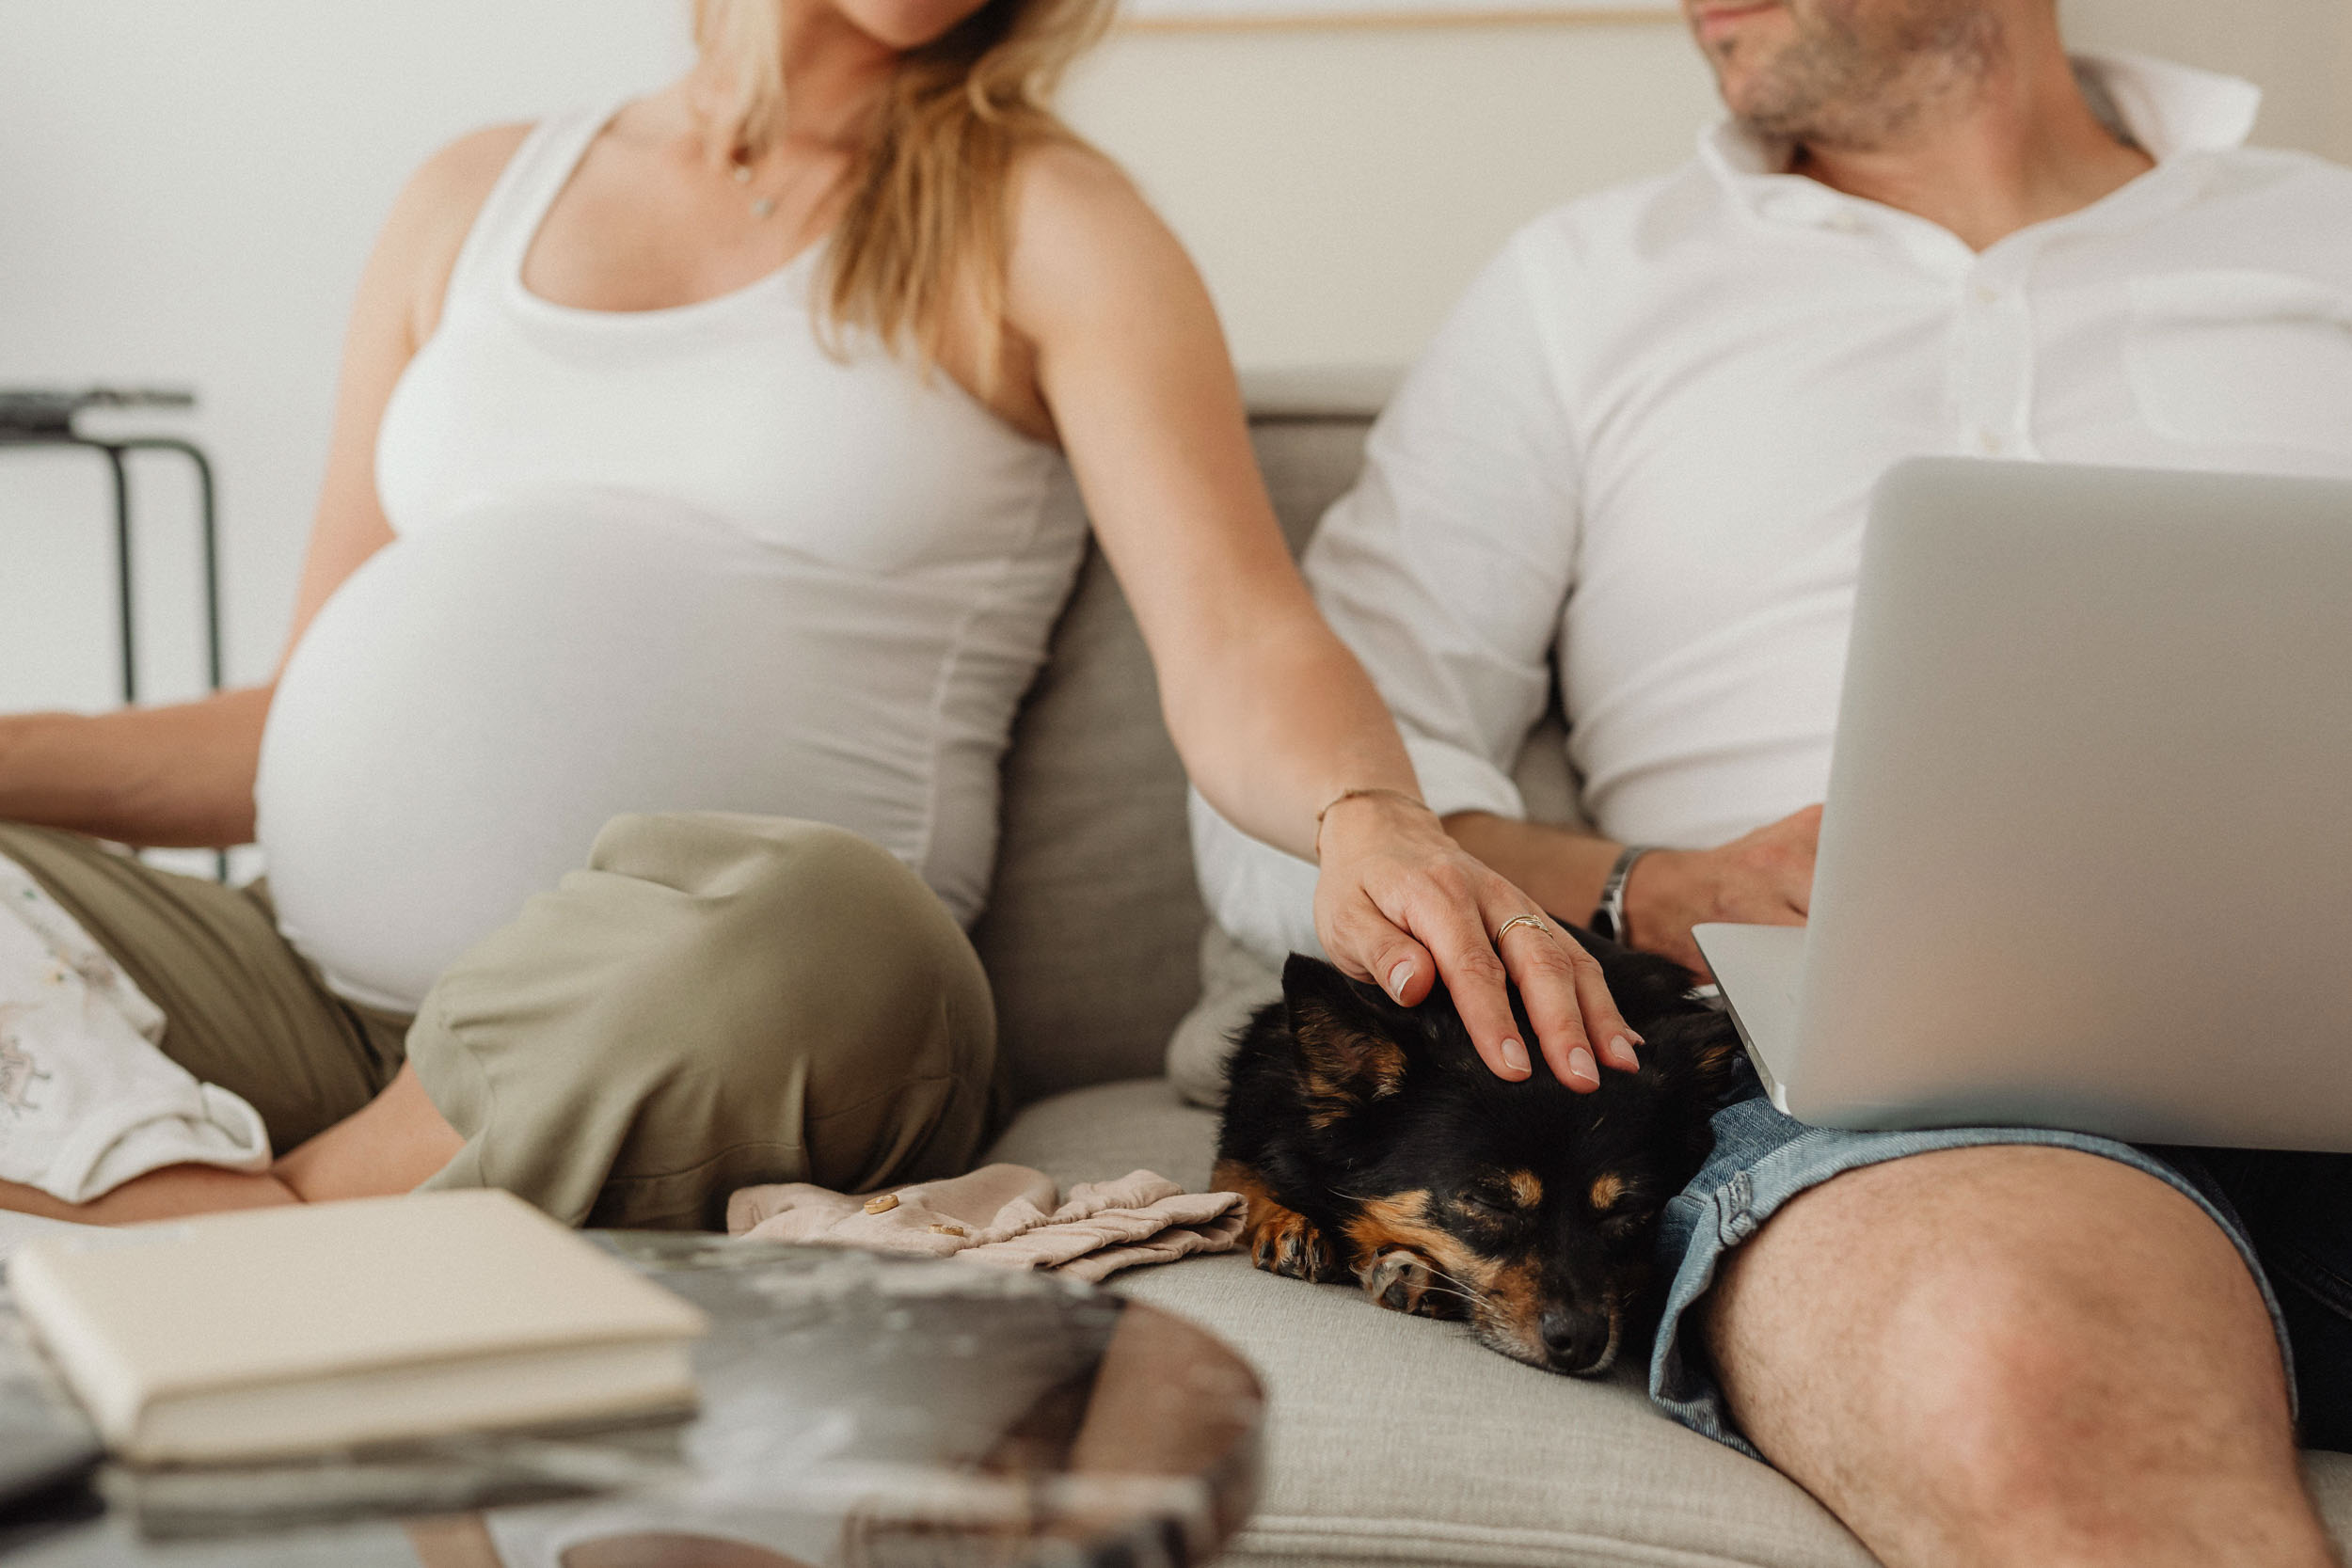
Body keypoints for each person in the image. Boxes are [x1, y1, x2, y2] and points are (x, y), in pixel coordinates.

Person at [0, 0, 1646, 1231]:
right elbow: (282, 725)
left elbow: (1238, 641)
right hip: (309, 989)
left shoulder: (1046, 220)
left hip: (756, 1001)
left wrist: (1371, 815)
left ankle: (241, 1234)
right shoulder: (472, 198)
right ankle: (245, 1227)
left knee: (812, 918)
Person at [1195, 0, 2352, 1561]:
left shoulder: (2320, 235)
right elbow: (1287, 825)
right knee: (2019, 1361)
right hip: (1886, 1102)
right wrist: (1638, 892)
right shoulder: (1587, 287)